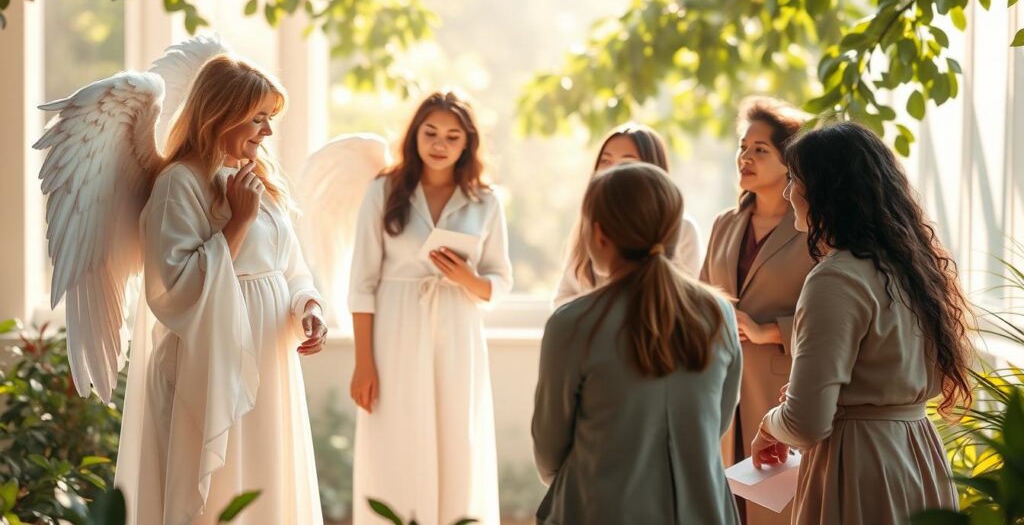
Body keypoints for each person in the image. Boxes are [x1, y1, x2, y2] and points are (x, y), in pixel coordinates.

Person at [116, 54, 328, 525]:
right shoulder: (179, 184)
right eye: (258, 119)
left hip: (268, 365)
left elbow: (289, 268)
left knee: (267, 486)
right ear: (221, 113)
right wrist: (238, 223)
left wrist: (308, 305)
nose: (267, 133)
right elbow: (173, 289)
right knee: (219, 493)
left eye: (270, 119)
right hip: (209, 370)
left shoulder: (259, 181)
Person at [752, 122, 971, 525]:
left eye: (795, 180)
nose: (787, 193)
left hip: (859, 468)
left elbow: (805, 423)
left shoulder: (835, 278)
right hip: (918, 455)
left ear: (827, 192)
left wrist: (769, 424)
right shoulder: (913, 270)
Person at [532, 162, 742, 525]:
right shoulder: (719, 314)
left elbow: (549, 454)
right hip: (703, 510)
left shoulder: (573, 325)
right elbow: (717, 421)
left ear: (598, 234)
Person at [347, 91, 513, 525]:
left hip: (458, 332)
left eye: (452, 136)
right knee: (396, 440)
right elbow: (361, 282)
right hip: (394, 332)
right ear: (416, 134)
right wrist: (363, 362)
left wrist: (468, 280)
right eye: (431, 132)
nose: (439, 144)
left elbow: (501, 280)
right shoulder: (383, 191)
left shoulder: (485, 201)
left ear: (467, 144)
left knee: (458, 439)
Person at [699, 97, 814, 525]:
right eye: (743, 147)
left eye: (760, 150)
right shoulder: (724, 224)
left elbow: (834, 313)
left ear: (790, 162)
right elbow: (701, 294)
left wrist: (770, 331)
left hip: (779, 391)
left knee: (776, 512)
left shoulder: (810, 229)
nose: (745, 157)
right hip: (721, 389)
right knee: (726, 508)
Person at [554, 124, 702, 308]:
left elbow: (685, 304)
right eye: (605, 161)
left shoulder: (682, 229)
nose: (612, 172)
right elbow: (561, 302)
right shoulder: (586, 227)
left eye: (627, 163)